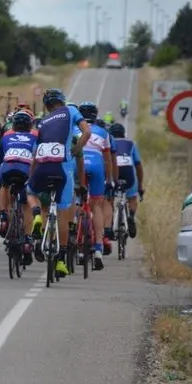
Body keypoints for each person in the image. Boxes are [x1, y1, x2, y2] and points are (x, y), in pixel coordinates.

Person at [28, 89, 91, 278]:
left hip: (42, 168)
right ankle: (61, 260)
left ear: (47, 106)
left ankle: (37, 217)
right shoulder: (70, 111)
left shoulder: (44, 122)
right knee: (63, 213)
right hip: (62, 168)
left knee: (32, 193)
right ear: (62, 102)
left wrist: (32, 178)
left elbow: (34, 157)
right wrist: (76, 148)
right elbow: (86, 132)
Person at [76, 101, 118, 266]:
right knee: (97, 206)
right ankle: (99, 248)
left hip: (78, 164)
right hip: (96, 165)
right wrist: (109, 180)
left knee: (75, 201)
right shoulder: (103, 132)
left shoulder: (74, 129)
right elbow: (108, 160)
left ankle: (75, 237)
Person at [0, 109, 38, 265]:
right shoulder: (36, 135)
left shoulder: (6, 135)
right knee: (26, 204)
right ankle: (27, 239)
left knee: (5, 186)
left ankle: (4, 215)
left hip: (7, 168)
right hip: (26, 170)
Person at [108, 122, 143, 238]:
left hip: (114, 172)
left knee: (109, 198)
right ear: (123, 134)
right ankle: (131, 216)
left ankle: (111, 220)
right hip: (128, 173)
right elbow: (138, 165)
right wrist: (140, 186)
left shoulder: (109, 143)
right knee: (132, 198)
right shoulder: (131, 144)